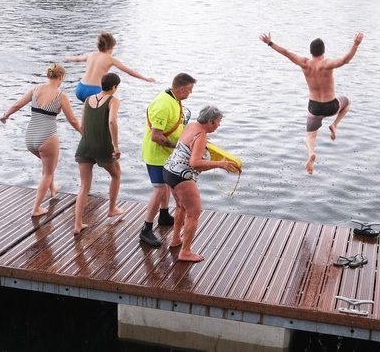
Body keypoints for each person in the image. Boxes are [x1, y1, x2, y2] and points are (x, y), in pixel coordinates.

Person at [259, 32, 363, 173]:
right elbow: (345, 60)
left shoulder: (304, 63)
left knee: (310, 137)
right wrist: (355, 44)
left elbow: (286, 52)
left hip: (314, 106)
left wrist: (270, 43)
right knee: (348, 102)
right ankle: (334, 125)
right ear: (323, 51)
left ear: (311, 52)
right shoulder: (326, 64)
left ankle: (310, 154)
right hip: (331, 106)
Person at [0, 64, 81, 218]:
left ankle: (53, 189)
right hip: (47, 137)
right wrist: (85, 134)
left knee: (47, 167)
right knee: (48, 172)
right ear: (61, 77)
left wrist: (5, 115)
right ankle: (36, 208)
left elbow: (17, 104)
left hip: (30, 137)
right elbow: (73, 120)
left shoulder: (35, 89)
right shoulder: (61, 95)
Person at [163, 105, 240, 261]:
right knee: (193, 213)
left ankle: (175, 239)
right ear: (211, 121)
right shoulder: (201, 135)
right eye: (218, 122)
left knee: (180, 207)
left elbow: (189, 151)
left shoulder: (191, 126)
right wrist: (220, 164)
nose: (219, 125)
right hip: (182, 176)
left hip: (169, 170)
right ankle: (185, 252)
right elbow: (195, 163)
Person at [139, 73, 196, 247]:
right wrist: (178, 147)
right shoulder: (163, 105)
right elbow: (156, 137)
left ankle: (163, 215)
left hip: (166, 155)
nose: (191, 93)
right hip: (157, 155)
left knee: (165, 187)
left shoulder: (174, 99)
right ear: (180, 88)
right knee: (159, 190)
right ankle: (146, 229)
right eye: (190, 90)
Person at [73, 72, 124, 235]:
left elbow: (82, 125)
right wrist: (115, 146)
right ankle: (112, 209)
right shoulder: (113, 100)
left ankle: (78, 224)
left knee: (84, 186)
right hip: (103, 146)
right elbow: (112, 121)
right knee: (116, 175)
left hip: (85, 145)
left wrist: (88, 139)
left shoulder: (88, 100)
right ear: (114, 87)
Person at [64, 31, 155, 103]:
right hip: (94, 90)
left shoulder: (90, 55)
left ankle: (84, 126)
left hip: (80, 89)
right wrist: (145, 78)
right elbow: (129, 71)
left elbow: (77, 59)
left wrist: (66, 57)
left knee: (86, 110)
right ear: (111, 47)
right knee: (102, 111)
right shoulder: (110, 59)